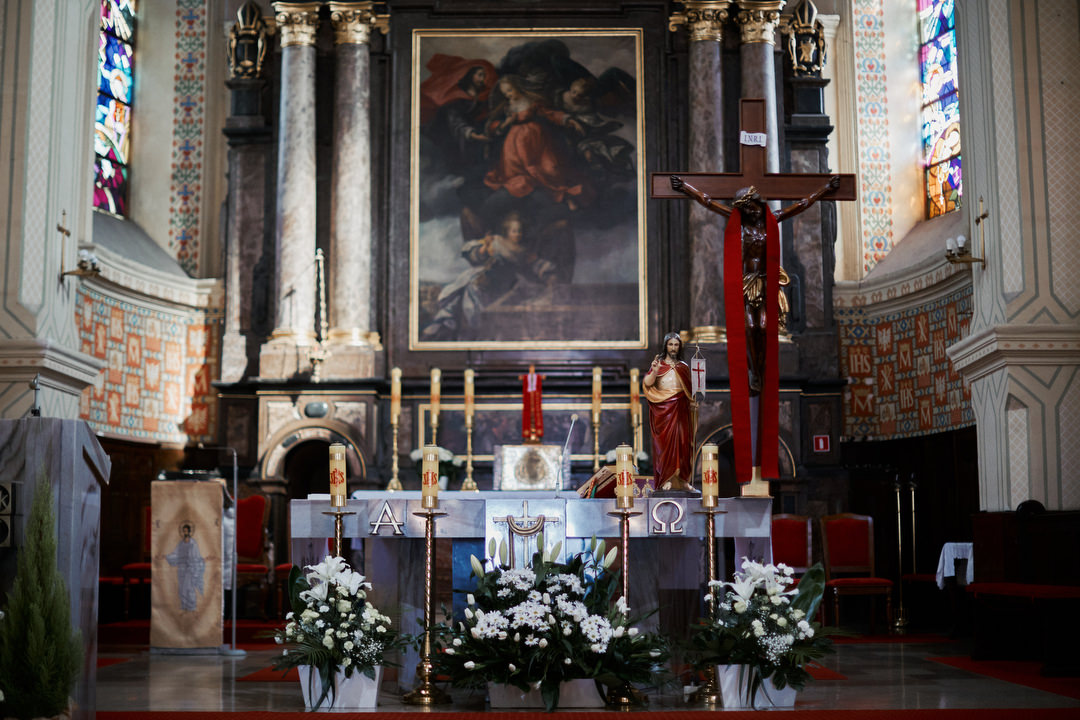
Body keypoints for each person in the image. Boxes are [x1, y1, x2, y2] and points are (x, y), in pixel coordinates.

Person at [669, 175, 840, 393]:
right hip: (747, 282)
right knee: (750, 327)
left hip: (766, 281)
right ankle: (754, 371)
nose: (752, 211)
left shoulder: (772, 220)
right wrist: (686, 187)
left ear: (758, 202)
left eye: (752, 206)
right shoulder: (740, 224)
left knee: (764, 327)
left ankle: (761, 368)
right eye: (746, 209)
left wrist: (826, 188)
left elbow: (802, 204)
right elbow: (708, 202)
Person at [642, 332, 696, 492]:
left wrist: (693, 402)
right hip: (664, 411)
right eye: (670, 344)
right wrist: (654, 371)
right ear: (665, 346)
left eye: (676, 345)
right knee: (665, 446)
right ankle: (667, 479)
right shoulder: (658, 364)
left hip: (682, 410)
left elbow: (691, 390)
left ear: (680, 347)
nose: (673, 348)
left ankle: (683, 480)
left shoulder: (683, 367)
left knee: (683, 444)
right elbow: (647, 383)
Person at [166, 521, 206, 612]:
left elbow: (196, 556)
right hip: (181, 569)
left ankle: (192, 606)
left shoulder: (193, 543)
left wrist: (194, 563)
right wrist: (167, 557)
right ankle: (184, 605)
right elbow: (175, 554)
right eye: (183, 531)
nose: (185, 532)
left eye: (186, 531)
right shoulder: (180, 543)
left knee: (188, 587)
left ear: (189, 531)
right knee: (181, 587)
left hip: (189, 568)